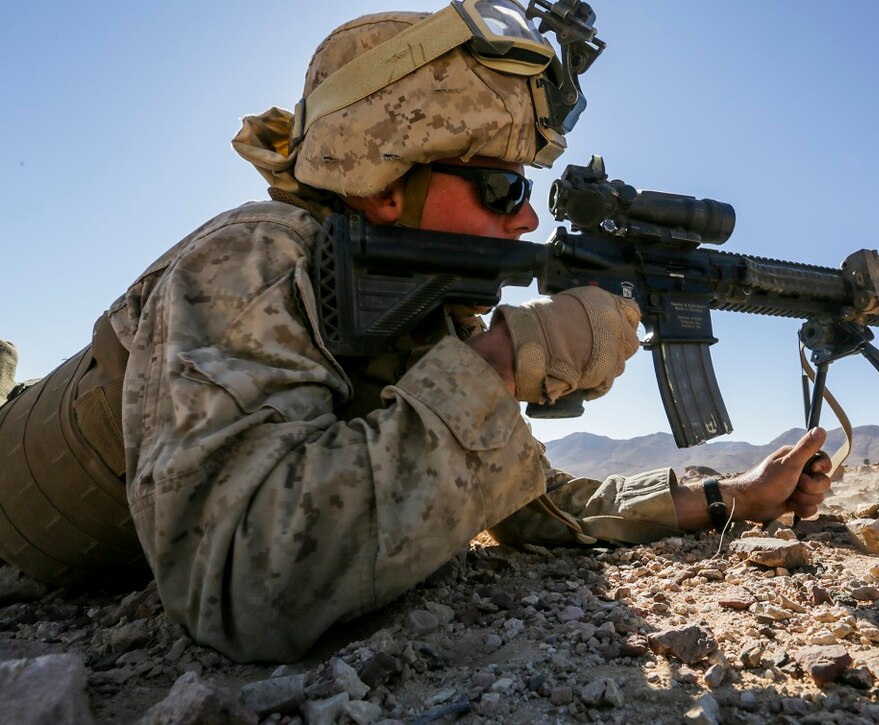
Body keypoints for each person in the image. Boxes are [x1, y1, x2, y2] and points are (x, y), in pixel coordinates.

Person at [0, 2, 830, 663]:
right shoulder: (252, 261)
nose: (530, 214)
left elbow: (543, 506)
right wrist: (503, 364)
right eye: (503, 188)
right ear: (384, 187)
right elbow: (240, 592)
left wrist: (729, 495)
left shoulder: (418, 309)